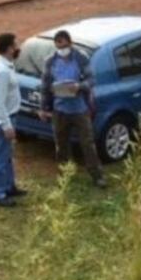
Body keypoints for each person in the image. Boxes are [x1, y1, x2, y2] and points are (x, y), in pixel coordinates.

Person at [40, 30, 106, 188]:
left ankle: (97, 176)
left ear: (70, 43)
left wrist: (79, 86)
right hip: (59, 110)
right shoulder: (50, 61)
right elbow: (45, 86)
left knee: (88, 143)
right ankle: (65, 176)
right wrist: (43, 108)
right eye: (58, 46)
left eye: (63, 45)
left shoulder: (80, 58)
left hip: (79, 109)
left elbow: (91, 79)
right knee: (61, 145)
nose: (61, 49)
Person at [0, 32, 28, 208]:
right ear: (9, 48)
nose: (17, 47)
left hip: (8, 117)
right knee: (1, 157)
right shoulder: (1, 71)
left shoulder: (4, 65)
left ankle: (9, 187)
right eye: (15, 45)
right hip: (2, 119)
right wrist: (6, 125)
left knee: (7, 155)